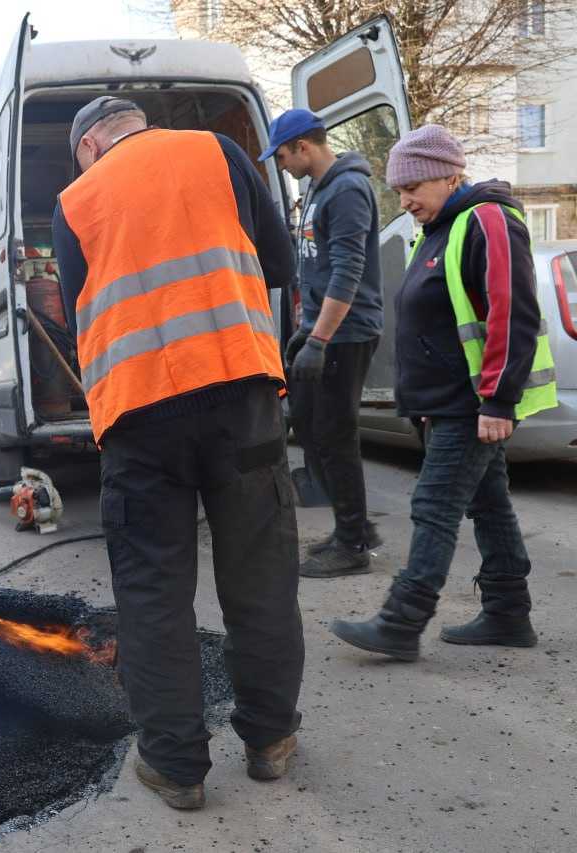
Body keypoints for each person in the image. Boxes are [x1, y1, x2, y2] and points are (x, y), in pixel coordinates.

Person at [52, 97, 303, 810]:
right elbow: (280, 263)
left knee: (153, 590)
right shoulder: (219, 152)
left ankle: (175, 766)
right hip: (241, 390)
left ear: (90, 145)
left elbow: (77, 312)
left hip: (139, 414)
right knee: (260, 571)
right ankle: (270, 741)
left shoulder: (75, 201)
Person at [330, 126, 558, 661]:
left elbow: (513, 312)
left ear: (450, 175)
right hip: (447, 404)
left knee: (434, 505)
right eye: (399, 190)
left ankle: (401, 622)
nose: (404, 201)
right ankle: (507, 612)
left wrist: (498, 400)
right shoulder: (438, 228)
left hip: (471, 402)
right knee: (489, 503)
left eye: (412, 187)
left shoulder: (488, 219)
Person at [261, 109, 384, 578]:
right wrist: (304, 329)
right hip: (321, 329)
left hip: (346, 333)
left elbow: (348, 271)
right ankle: (353, 525)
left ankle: (353, 544)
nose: (282, 165)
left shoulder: (347, 189)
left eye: (282, 156)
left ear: (303, 147)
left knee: (335, 433)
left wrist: (320, 339)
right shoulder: (317, 188)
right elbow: (313, 266)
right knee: (311, 426)